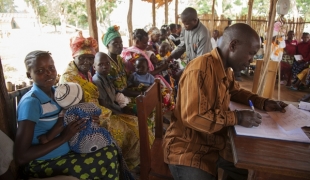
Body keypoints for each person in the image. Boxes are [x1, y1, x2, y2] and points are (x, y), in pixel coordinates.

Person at [163, 23, 288, 180]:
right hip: (188, 149)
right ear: (233, 45)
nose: (251, 60)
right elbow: (194, 117)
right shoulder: (200, 69)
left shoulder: (225, 69)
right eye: (251, 54)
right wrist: (238, 117)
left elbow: (234, 91)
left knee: (247, 171)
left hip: (213, 145)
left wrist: (262, 102)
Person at [15, 50, 120, 179]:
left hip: (68, 152)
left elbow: (71, 116)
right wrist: (63, 138)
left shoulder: (59, 95)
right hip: (43, 163)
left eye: (51, 68)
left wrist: (89, 120)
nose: (48, 73)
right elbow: (21, 156)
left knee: (111, 148)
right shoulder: (31, 103)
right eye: (40, 71)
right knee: (106, 159)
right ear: (29, 75)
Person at [59, 31, 148, 170]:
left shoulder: (85, 71)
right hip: (83, 121)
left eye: (90, 58)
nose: (86, 62)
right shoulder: (69, 78)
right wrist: (110, 113)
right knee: (129, 129)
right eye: (82, 58)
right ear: (75, 57)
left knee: (135, 122)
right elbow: (76, 107)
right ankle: (123, 164)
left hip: (98, 112)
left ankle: (131, 162)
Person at [102, 25, 141, 98]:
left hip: (126, 91)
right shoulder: (107, 64)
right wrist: (139, 93)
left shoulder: (119, 59)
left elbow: (126, 78)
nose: (120, 46)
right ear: (107, 46)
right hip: (119, 97)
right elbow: (120, 90)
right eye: (115, 43)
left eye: (121, 42)